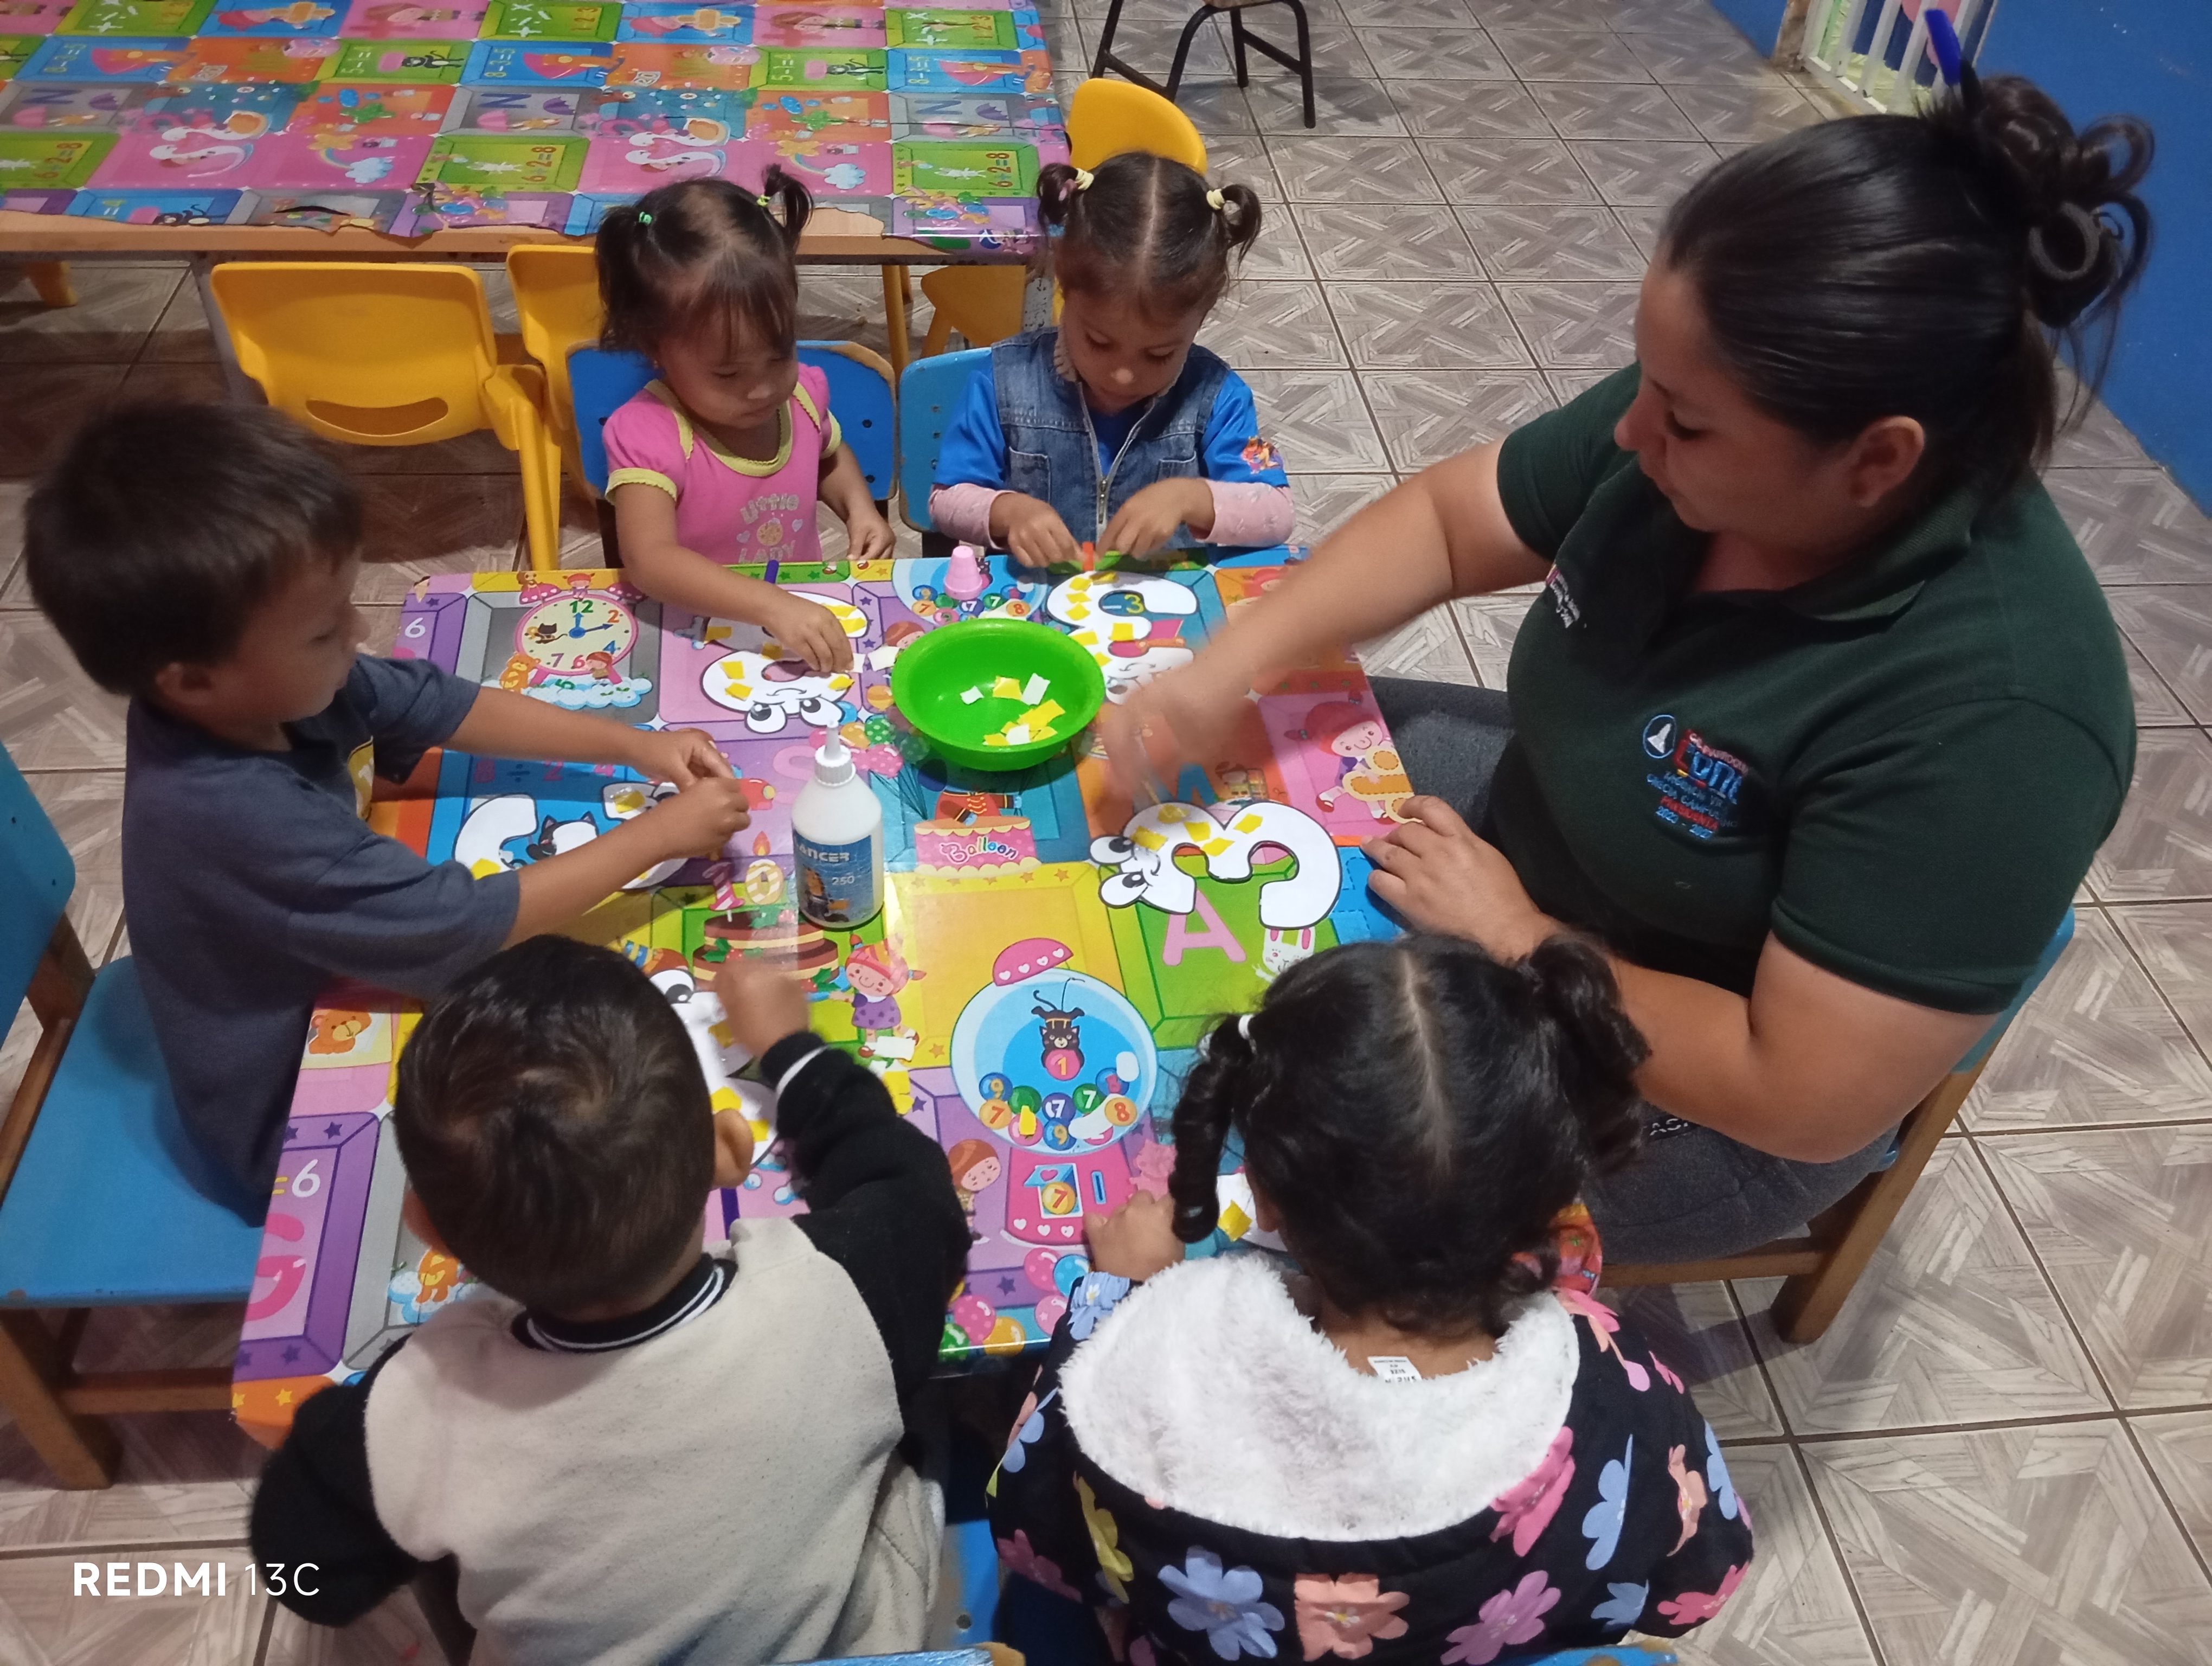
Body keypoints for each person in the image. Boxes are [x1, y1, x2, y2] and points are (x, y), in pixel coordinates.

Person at [1102, 73, 2153, 1263]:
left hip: (1698, 1087)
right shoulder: (1694, 418)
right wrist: (1222, 673)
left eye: (1685, 420)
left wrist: (1520, 936)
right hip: (1545, 832)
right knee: (1235, 802)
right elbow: (1451, 522)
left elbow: (1795, 1090)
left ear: (1877, 462)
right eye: (1647, 383)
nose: (1628, 434)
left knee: (1327, 1207)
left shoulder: (2004, 716)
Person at [21, 405, 752, 1216]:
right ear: (192, 679)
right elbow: (461, 931)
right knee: (596, 1126)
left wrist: (633, 745)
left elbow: (428, 702)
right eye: (322, 631)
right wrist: (659, 834)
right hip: (295, 1114)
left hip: (342, 984)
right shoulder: (234, 814)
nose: (358, 630)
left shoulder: (248, 691)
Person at [989, 935, 1753, 1665]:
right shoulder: (1621, 1387)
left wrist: (1123, 1295)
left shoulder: (1144, 1379)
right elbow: (1700, 1590)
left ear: (1264, 1197)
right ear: (1548, 1201)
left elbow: (1033, 1538)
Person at [250, 941, 972, 1663]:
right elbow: (914, 1192)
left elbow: (301, 1576)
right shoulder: (831, 1293)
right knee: (929, 1415)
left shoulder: (420, 1406)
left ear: (428, 1228)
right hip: (844, 1646)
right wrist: (793, 1051)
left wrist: (375, 1428)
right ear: (728, 1150)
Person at [597, 170, 895, 675]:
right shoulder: (647, 433)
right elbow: (650, 561)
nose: (762, 389)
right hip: (691, 634)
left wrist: (858, 508)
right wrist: (769, 605)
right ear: (655, 348)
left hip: (792, 622)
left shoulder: (803, 396)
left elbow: (827, 454)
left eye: (779, 356)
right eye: (728, 372)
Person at [929, 151, 1291, 566]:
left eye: (1159, 354)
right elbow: (946, 500)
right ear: (1064, 286)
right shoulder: (1003, 380)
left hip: (1161, 600)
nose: (1123, 376)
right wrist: (1008, 512)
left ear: (1201, 319)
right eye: (1099, 343)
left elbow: (1277, 510)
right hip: (1038, 593)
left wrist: (1191, 498)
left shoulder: (1220, 397)